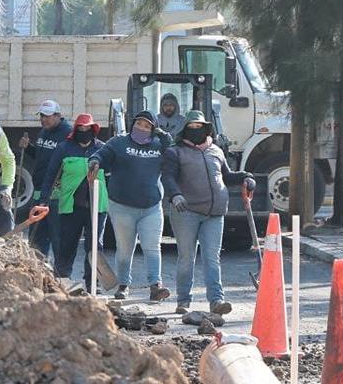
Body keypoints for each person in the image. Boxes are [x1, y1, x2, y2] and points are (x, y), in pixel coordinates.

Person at [160, 110, 256, 316]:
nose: (196, 130)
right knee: (187, 257)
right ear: (185, 129)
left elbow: (227, 176)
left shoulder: (216, 151)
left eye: (199, 127)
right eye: (191, 127)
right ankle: (183, 300)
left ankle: (216, 301)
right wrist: (175, 195)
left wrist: (246, 177)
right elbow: (167, 178)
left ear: (206, 128)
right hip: (186, 211)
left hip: (215, 214)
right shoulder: (174, 152)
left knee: (212, 258)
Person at [88, 111, 171, 302]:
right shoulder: (119, 143)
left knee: (152, 247)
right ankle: (123, 285)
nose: (141, 128)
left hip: (151, 207)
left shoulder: (159, 146)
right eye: (139, 124)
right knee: (125, 249)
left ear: (153, 129)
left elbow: (174, 151)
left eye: (147, 126)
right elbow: (101, 154)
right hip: (122, 207)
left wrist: (164, 137)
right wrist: (94, 161)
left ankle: (155, 286)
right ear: (132, 124)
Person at [34, 113, 108, 293]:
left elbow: (113, 176)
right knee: (67, 243)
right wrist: (44, 199)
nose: (84, 132)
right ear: (75, 131)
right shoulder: (64, 148)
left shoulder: (102, 149)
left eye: (87, 129)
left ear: (93, 130)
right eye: (81, 129)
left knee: (94, 245)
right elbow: (51, 176)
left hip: (96, 206)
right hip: (71, 205)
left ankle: (92, 283)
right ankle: (63, 279)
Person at [23, 100, 72, 259]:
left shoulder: (68, 133)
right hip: (39, 191)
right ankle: (38, 269)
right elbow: (39, 156)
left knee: (57, 237)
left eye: (48, 116)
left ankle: (61, 274)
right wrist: (28, 147)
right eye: (42, 116)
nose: (43, 119)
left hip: (56, 193)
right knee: (36, 236)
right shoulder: (44, 132)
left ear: (58, 115)